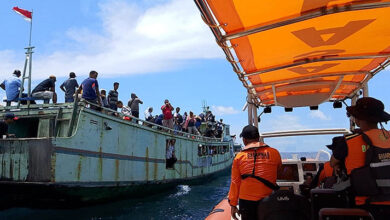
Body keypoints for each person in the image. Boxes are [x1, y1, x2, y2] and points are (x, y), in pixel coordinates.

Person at [329, 97, 390, 220]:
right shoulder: (388, 136)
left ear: (358, 119)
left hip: (365, 206)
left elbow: (332, 162)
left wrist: (337, 166)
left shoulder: (348, 141)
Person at [228, 125, 282, 220]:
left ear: (244, 140)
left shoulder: (239, 157)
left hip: (246, 202)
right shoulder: (274, 153)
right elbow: (278, 171)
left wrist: (233, 204)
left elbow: (235, 182)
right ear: (258, 138)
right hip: (268, 200)